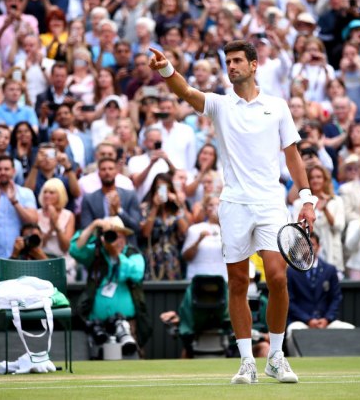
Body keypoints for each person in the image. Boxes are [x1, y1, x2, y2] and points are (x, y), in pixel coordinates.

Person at [148, 41, 315, 384]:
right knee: (238, 282)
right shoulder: (220, 104)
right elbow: (185, 91)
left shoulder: (277, 106)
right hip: (234, 205)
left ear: (254, 65)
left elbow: (293, 156)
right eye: (228, 61)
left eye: (238, 60)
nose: (232, 66)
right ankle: (247, 361)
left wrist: (307, 199)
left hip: (271, 203)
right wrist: (166, 68)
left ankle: (276, 357)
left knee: (277, 277)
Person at [70, 216, 150, 355]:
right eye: (111, 236)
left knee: (130, 362)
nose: (116, 240)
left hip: (127, 325)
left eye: (120, 236)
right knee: (97, 362)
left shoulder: (133, 254)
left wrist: (116, 254)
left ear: (125, 237)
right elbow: (75, 250)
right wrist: (94, 225)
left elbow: (136, 273)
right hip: (98, 326)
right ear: (103, 238)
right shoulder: (96, 254)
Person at [285, 231, 355, 355]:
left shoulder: (330, 270)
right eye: (304, 245)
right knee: (292, 331)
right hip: (301, 322)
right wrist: (308, 320)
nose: (308, 248)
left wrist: (326, 319)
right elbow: (290, 301)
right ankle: (297, 362)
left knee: (350, 329)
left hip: (326, 321)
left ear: (318, 246)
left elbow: (336, 298)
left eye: (311, 244)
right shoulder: (291, 271)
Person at [0, 155, 38, 262]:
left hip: (20, 257)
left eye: (6, 169)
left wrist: (15, 202)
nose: (3, 172)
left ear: (14, 171)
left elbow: (33, 222)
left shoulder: (26, 193)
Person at [181, 196, 227, 281]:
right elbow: (186, 257)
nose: (215, 208)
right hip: (198, 280)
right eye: (211, 205)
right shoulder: (194, 229)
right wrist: (198, 240)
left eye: (218, 205)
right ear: (205, 209)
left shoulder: (229, 231)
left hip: (222, 280)